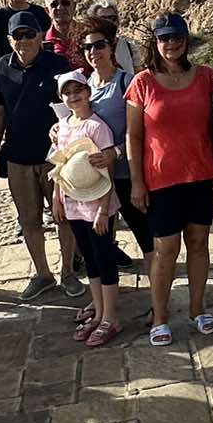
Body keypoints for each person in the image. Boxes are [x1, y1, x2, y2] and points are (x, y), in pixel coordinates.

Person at [127, 13, 213, 346]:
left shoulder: (206, 76)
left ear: (187, 40)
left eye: (177, 37)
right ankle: (160, 316)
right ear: (155, 42)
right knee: (165, 249)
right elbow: (133, 136)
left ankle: (198, 309)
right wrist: (137, 182)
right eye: (165, 38)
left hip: (202, 173)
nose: (172, 43)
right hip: (161, 178)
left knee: (198, 243)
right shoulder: (142, 82)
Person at [0, 12, 81, 300]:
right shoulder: (2, 67)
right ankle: (43, 274)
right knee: (29, 221)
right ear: (9, 40)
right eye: (18, 35)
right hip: (17, 157)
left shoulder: (57, 64)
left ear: (41, 36)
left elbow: (73, 105)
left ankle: (68, 272)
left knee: (63, 216)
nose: (24, 40)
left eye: (30, 34)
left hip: (54, 157)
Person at [51, 71, 125, 347]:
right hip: (74, 201)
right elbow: (60, 164)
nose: (74, 96)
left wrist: (103, 210)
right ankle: (98, 310)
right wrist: (57, 198)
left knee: (104, 258)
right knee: (90, 260)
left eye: (78, 90)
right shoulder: (62, 126)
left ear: (88, 92)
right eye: (68, 93)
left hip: (97, 204)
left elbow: (108, 169)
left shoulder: (97, 127)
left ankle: (111, 317)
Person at [79, 15, 153, 262]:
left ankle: (159, 286)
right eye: (87, 47)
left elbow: (145, 131)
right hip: (98, 178)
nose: (93, 51)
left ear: (111, 47)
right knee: (102, 244)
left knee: (147, 239)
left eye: (99, 45)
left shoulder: (127, 82)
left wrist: (116, 152)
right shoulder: (85, 86)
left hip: (126, 175)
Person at [87, 0, 140, 73]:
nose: (109, 22)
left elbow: (138, 71)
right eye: (103, 19)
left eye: (112, 18)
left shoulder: (130, 44)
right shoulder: (88, 48)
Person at [44, 0, 85, 69]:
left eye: (65, 3)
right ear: (47, 11)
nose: (60, 7)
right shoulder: (41, 42)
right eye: (54, 4)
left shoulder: (88, 34)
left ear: (74, 6)